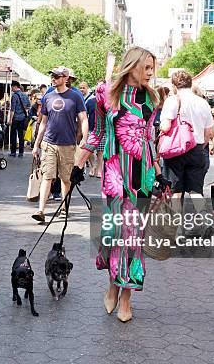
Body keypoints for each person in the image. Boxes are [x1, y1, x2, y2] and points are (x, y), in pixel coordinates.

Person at [76, 46, 167, 323]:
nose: (151, 73)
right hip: (114, 174)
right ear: (132, 65)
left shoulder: (152, 98)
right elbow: (98, 133)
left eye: (153, 68)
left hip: (142, 176)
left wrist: (159, 173)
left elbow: (150, 138)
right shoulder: (106, 94)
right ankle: (113, 283)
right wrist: (78, 164)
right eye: (147, 67)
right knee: (113, 233)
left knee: (133, 237)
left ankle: (126, 296)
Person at [31, 66, 88, 222]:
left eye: (57, 76)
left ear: (65, 78)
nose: (53, 78)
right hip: (49, 143)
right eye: (52, 76)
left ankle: (64, 208)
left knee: (65, 179)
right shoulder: (47, 97)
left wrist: (84, 138)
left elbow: (83, 119)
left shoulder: (75, 97)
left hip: (68, 145)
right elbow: (43, 123)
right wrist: (36, 144)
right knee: (47, 177)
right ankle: (41, 211)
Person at [160, 70, 213, 198]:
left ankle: (177, 218)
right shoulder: (203, 103)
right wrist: (200, 145)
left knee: (176, 191)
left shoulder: (172, 101)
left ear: (174, 86)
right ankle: (202, 215)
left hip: (176, 151)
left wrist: (161, 127)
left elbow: (166, 127)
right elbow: (208, 132)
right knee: (196, 191)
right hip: (197, 149)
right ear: (190, 83)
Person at [8, 80, 30, 157]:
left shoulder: (14, 96)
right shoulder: (25, 95)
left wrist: (10, 119)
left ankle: (13, 152)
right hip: (23, 118)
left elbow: (12, 109)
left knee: (14, 135)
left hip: (16, 118)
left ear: (15, 87)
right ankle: (21, 152)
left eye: (12, 87)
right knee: (21, 136)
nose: (11, 89)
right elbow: (28, 106)